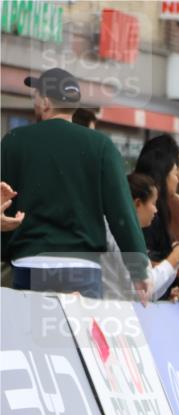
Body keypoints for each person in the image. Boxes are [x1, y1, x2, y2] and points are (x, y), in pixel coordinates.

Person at [1, 68, 148, 299]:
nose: (35, 102)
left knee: (35, 334)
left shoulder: (14, 141)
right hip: (83, 266)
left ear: (46, 102)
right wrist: (138, 269)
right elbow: (122, 211)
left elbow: (4, 204)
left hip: (30, 262)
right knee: (78, 334)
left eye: (36, 96)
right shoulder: (101, 146)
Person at [134, 134, 179, 337]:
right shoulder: (128, 225)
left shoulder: (169, 206)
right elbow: (135, 277)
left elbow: (147, 280)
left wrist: (167, 288)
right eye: (176, 173)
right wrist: (174, 261)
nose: (155, 210)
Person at [100, 173, 179, 301]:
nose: (156, 210)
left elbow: (149, 293)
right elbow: (142, 289)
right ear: (137, 204)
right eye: (153, 203)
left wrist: (177, 260)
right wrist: (173, 259)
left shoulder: (126, 231)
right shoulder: (118, 233)